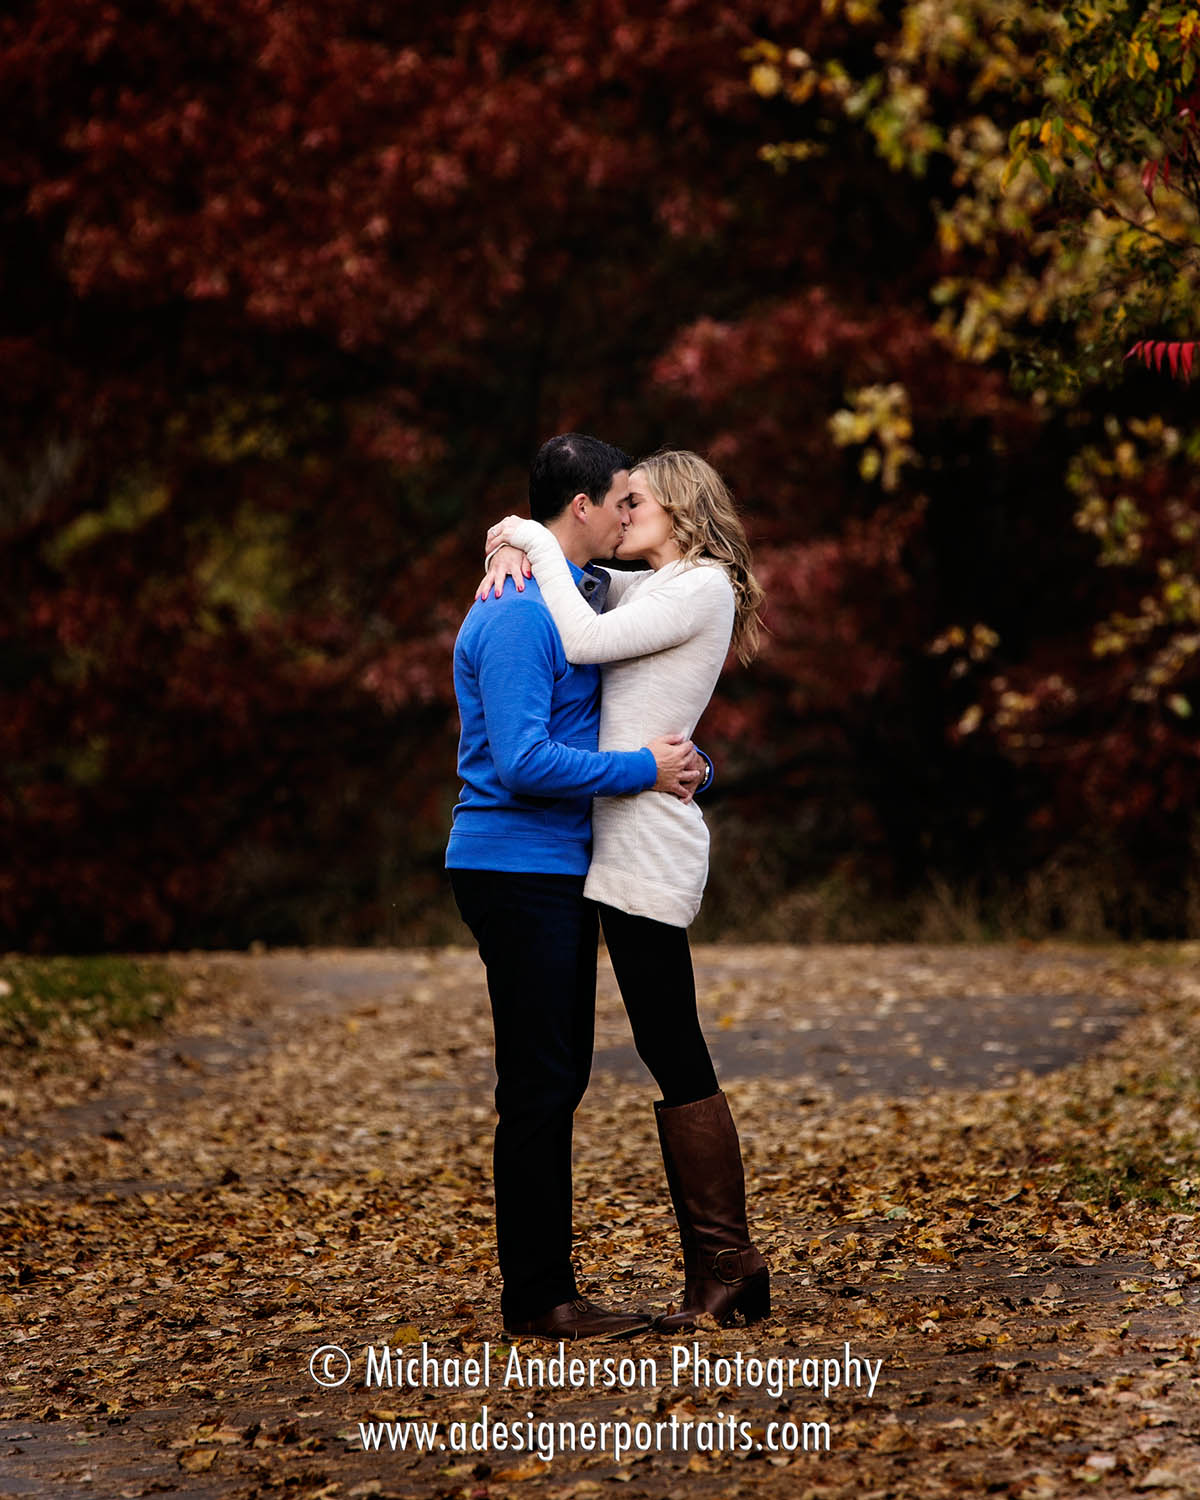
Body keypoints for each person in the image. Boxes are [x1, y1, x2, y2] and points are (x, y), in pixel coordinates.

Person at [479, 448, 770, 1331]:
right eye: (618, 499)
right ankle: (724, 1268)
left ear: (679, 504)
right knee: (660, 1042)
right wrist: (510, 545)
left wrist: (528, 534)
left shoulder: (703, 585)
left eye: (636, 498)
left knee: (671, 1044)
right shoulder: (652, 586)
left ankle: (728, 1264)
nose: (623, 510)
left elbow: (581, 637)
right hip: (613, 835)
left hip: (643, 841)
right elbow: (575, 581)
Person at [446, 433, 704, 1342]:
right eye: (623, 499)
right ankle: (540, 1299)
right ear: (584, 506)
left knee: (554, 1077)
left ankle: (546, 1289)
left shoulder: (573, 591)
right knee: (541, 1083)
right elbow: (518, 760)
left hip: (552, 866)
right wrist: (638, 767)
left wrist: (673, 759)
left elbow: (637, 666)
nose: (632, 512)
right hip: (514, 864)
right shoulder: (519, 613)